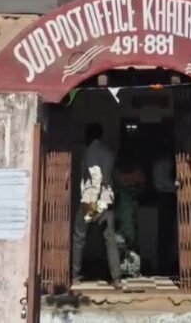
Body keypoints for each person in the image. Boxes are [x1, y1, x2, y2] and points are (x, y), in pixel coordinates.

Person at [72, 123, 122, 289]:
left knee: (79, 236)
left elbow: (96, 177)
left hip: (92, 201)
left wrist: (92, 202)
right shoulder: (108, 153)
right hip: (106, 200)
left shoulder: (90, 152)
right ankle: (116, 278)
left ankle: (75, 275)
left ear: (88, 136)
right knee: (109, 238)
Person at [152, 132, 178, 276]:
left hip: (167, 197)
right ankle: (163, 267)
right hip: (166, 197)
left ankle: (167, 265)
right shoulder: (161, 162)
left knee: (169, 233)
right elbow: (160, 183)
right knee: (165, 233)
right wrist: (176, 186)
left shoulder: (165, 161)